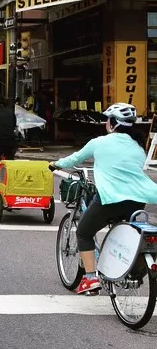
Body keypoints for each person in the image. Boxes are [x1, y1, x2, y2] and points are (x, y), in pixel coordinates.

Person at [50, 103, 157, 295]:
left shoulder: (98, 142)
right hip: (138, 198)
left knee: (83, 231)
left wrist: (55, 163)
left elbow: (74, 159)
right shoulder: (138, 147)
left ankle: (90, 278)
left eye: (108, 120)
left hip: (111, 198)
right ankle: (130, 269)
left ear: (114, 123)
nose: (106, 123)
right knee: (129, 232)